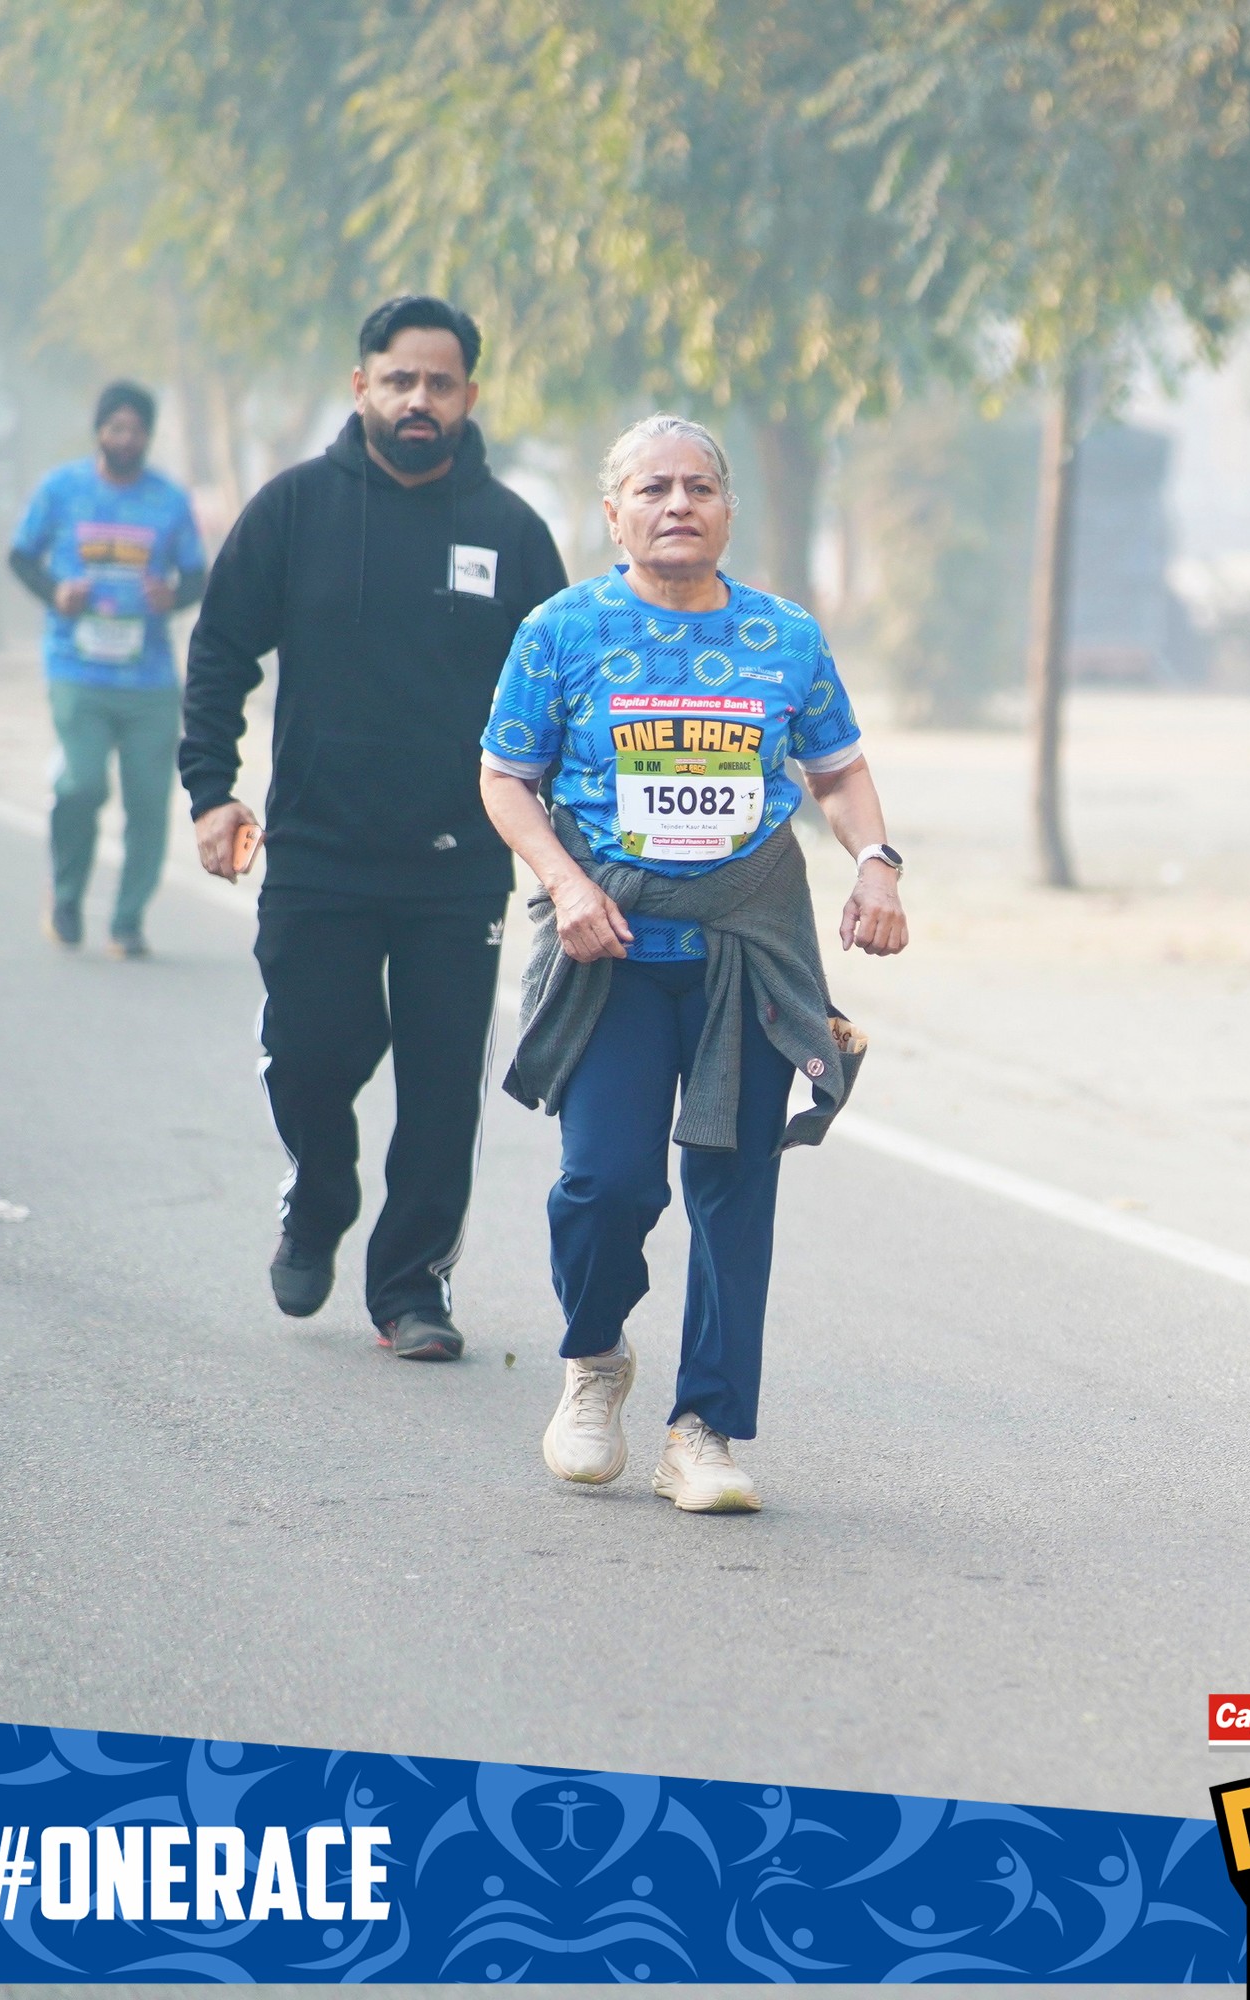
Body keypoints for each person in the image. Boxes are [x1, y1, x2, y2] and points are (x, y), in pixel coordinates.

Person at [480, 414, 906, 1515]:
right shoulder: (561, 630)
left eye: (700, 487)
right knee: (605, 1182)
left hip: (746, 955)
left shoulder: (784, 636)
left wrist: (876, 864)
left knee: (734, 1189)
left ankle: (703, 1430)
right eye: (653, 488)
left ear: (728, 510)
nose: (678, 504)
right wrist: (567, 886)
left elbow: (838, 770)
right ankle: (593, 1359)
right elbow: (504, 778)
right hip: (611, 952)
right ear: (613, 512)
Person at [181, 296, 568, 1359]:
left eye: (439, 383)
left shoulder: (512, 533)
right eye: (399, 380)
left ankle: (410, 1289)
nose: (418, 400)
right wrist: (212, 791)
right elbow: (221, 652)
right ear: (362, 387)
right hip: (317, 852)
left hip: (460, 866)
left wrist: (563, 847)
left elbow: (564, 697)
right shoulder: (294, 509)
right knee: (309, 1056)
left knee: (442, 1091)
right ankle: (319, 1195)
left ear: (469, 396)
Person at [9, 382, 207, 958]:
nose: (125, 439)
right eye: (116, 428)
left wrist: (171, 595)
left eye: (136, 430)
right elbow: (21, 556)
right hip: (77, 669)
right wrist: (56, 592)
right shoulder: (62, 489)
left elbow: (197, 576)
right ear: (99, 431)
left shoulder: (169, 501)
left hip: (148, 678)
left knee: (148, 803)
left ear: (148, 436)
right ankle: (67, 893)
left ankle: (127, 920)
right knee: (82, 783)